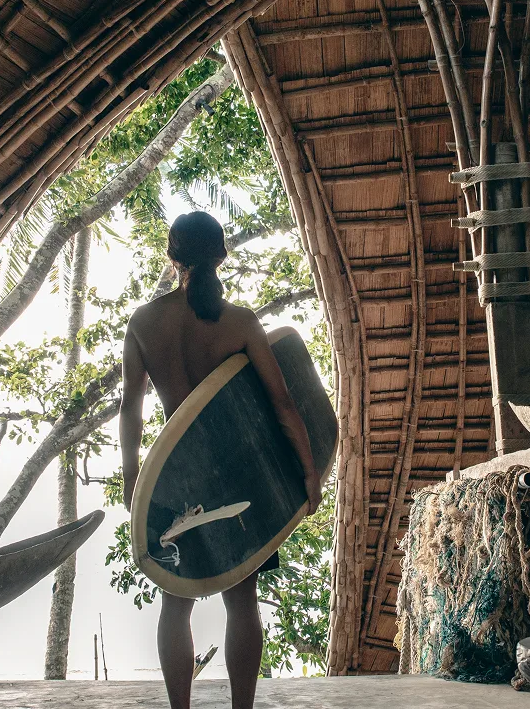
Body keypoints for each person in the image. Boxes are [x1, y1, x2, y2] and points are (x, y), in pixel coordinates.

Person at [120, 211, 321, 709]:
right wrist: (308, 471)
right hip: (238, 478)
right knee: (242, 600)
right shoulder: (240, 322)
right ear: (221, 255)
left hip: (176, 476)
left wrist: (133, 479)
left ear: (172, 256)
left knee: (175, 601)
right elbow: (283, 404)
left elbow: (131, 410)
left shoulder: (144, 322)